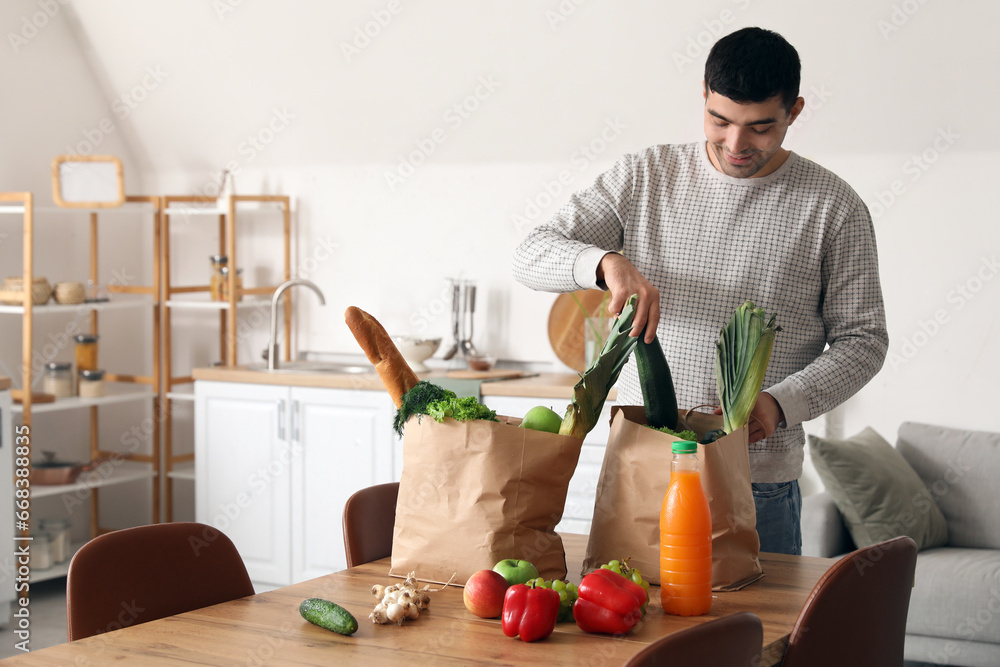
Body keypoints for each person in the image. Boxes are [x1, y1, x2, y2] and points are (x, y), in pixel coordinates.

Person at [512, 27, 888, 555]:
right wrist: (603, 261)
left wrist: (781, 404)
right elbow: (529, 253)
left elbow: (864, 340)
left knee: (753, 637)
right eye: (720, 120)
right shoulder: (646, 175)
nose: (737, 145)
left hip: (757, 481)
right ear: (703, 96)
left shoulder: (834, 207)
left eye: (761, 127)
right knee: (624, 630)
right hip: (643, 466)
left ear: (795, 111)